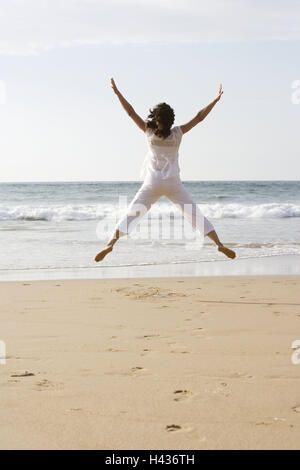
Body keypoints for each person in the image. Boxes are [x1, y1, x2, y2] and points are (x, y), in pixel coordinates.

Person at [95, 78, 236, 262]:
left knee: (132, 212)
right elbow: (199, 117)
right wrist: (215, 100)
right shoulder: (177, 133)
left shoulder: (149, 132)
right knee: (194, 213)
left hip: (152, 183)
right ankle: (218, 244)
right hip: (173, 184)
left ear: (156, 118)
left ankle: (110, 244)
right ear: (171, 120)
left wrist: (117, 93)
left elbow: (130, 112)